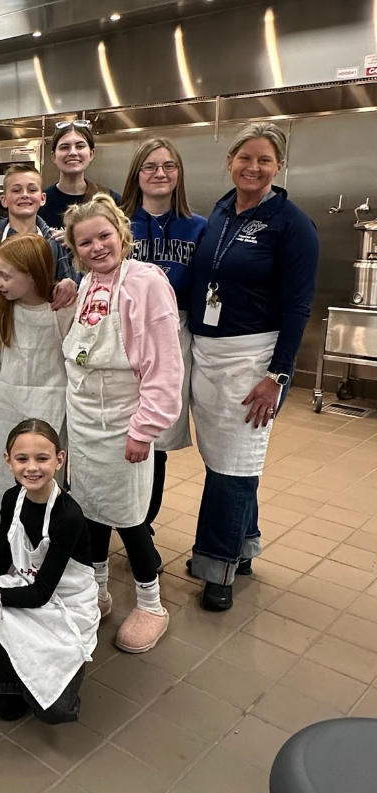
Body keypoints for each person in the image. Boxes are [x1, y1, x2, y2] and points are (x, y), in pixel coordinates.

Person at [188, 122, 319, 611]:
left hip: (253, 360)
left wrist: (278, 376)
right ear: (230, 161)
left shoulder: (292, 224)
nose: (253, 167)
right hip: (209, 356)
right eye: (245, 157)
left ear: (278, 166)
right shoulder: (220, 212)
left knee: (232, 469)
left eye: (265, 159)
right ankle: (242, 547)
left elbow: (300, 307)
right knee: (226, 460)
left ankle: (217, 566)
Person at [62, 195, 183, 654]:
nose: (97, 247)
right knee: (90, 510)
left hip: (124, 421)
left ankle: (151, 603)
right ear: (75, 251)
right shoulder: (87, 282)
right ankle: (97, 590)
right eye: (85, 242)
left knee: (130, 519)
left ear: (122, 233)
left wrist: (143, 429)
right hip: (85, 422)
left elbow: (165, 367)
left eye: (104, 235)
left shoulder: (146, 283)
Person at [0, 419, 98, 723]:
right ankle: (6, 683)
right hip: (28, 584)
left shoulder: (68, 516)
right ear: (8, 461)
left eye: (42, 458)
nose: (32, 468)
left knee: (53, 712)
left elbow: (42, 594)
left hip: (66, 603)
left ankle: (63, 680)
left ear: (60, 459)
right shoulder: (11, 499)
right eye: (22, 459)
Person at [121, 139, 207, 528]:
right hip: (120, 337)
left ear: (180, 175)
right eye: (150, 166)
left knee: (156, 436)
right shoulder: (117, 224)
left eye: (169, 166)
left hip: (175, 336)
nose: (160, 173)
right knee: (120, 427)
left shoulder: (199, 228)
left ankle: (144, 523)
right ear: (136, 174)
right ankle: (113, 515)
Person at [0, 236, 74, 529]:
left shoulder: (62, 309)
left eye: (6, 276)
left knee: (42, 475)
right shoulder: (2, 306)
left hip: (50, 405)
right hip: (10, 403)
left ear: (33, 273)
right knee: (6, 472)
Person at [0, 163, 78, 308]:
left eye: (32, 190)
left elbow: (66, 280)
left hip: (42, 320)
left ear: (42, 198)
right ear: (4, 200)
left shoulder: (54, 241)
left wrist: (69, 284)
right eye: (17, 190)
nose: (25, 195)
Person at [40, 121, 121, 231]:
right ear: (54, 156)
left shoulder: (110, 200)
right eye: (64, 147)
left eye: (80, 146)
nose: (73, 152)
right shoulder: (40, 202)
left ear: (91, 154)